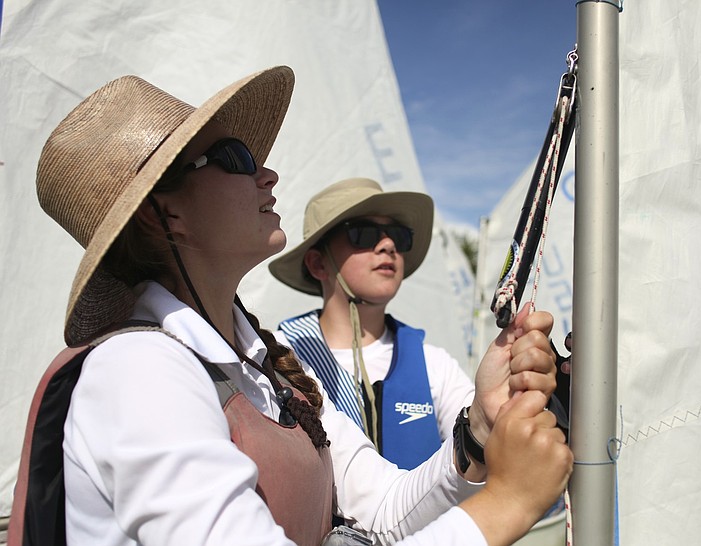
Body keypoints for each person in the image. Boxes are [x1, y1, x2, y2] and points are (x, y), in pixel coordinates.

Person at [10, 66, 572, 546]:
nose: (269, 172)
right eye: (235, 156)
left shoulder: (267, 370)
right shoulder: (136, 371)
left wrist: (478, 426)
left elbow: (382, 512)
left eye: (396, 235)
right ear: (164, 214)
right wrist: (506, 505)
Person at [268, 178, 475, 469]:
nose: (388, 245)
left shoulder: (435, 365)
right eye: (363, 234)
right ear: (318, 264)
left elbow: (486, 447)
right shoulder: (276, 358)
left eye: (398, 236)